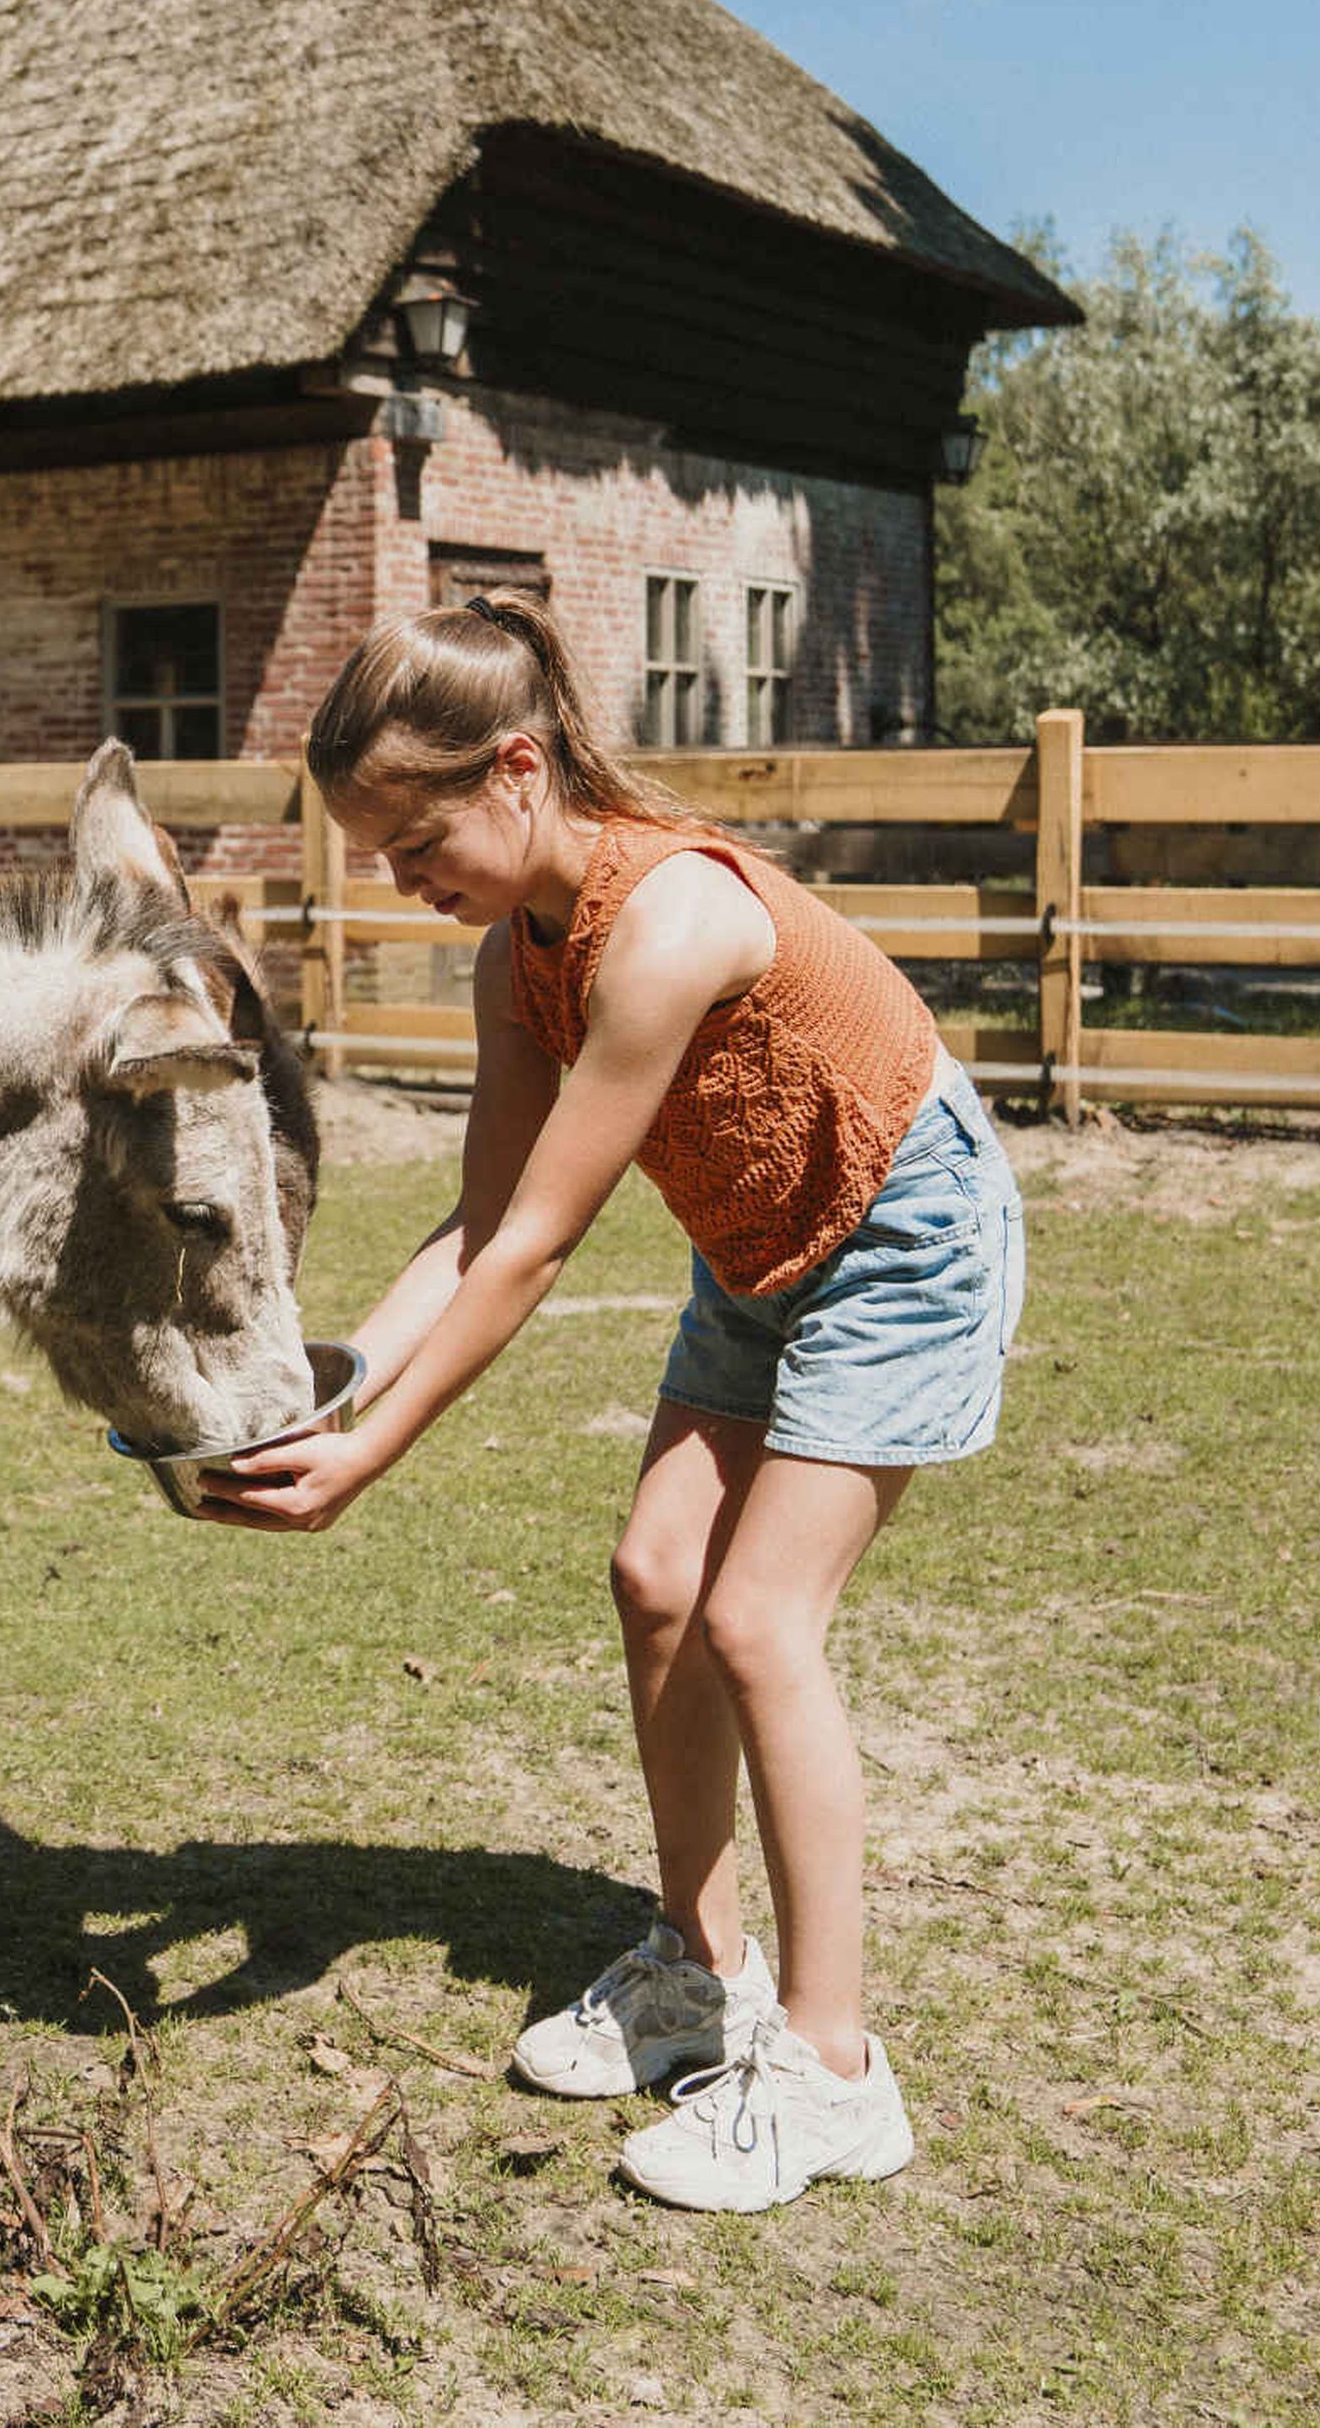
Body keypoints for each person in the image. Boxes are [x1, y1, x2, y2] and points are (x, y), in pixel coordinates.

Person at [197, 590, 1023, 2213]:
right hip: (759, 1246)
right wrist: (321, 1388)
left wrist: (368, 1460)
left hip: (903, 1230)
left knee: (759, 1620)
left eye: (414, 840)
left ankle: (836, 2074)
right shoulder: (518, 958)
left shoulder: (670, 926)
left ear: (519, 770)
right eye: (374, 853)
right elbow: (473, 1226)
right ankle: (696, 1975)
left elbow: (537, 1251)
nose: (398, 880)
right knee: (658, 1577)